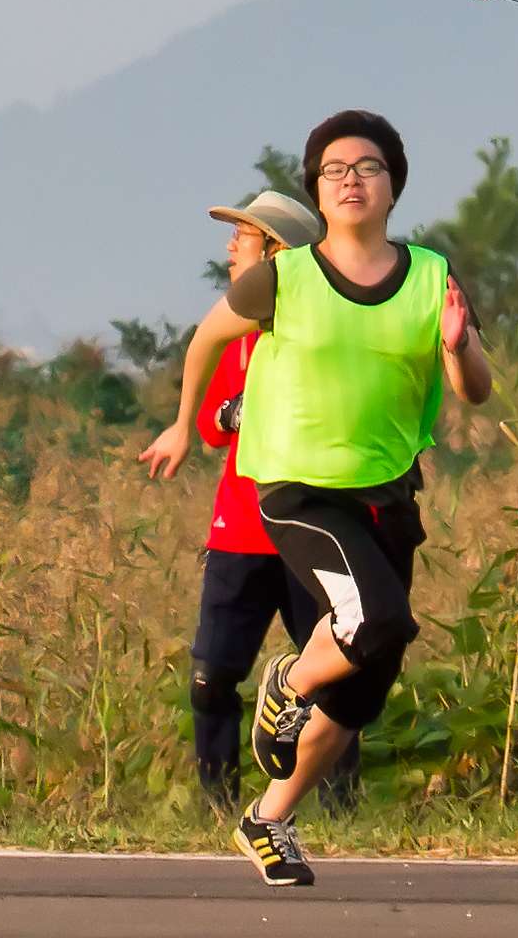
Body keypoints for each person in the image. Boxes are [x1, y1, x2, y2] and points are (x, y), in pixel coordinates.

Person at [144, 111, 493, 890]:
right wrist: (182, 422)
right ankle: (289, 681)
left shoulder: (432, 276)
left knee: (365, 681)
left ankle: (267, 818)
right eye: (335, 169)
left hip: (386, 494)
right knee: (378, 620)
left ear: (393, 186)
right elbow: (206, 339)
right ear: (317, 189)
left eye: (368, 167)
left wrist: (457, 344)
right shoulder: (285, 276)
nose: (351, 179)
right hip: (297, 487)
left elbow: (475, 388)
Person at [172, 186, 323, 808]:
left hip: (312, 529)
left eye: (245, 237)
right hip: (239, 532)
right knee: (211, 678)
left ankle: (338, 808)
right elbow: (213, 424)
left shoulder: (319, 333)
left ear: (278, 253)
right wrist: (235, 411)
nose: (231, 248)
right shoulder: (232, 331)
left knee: (332, 682)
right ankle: (219, 807)